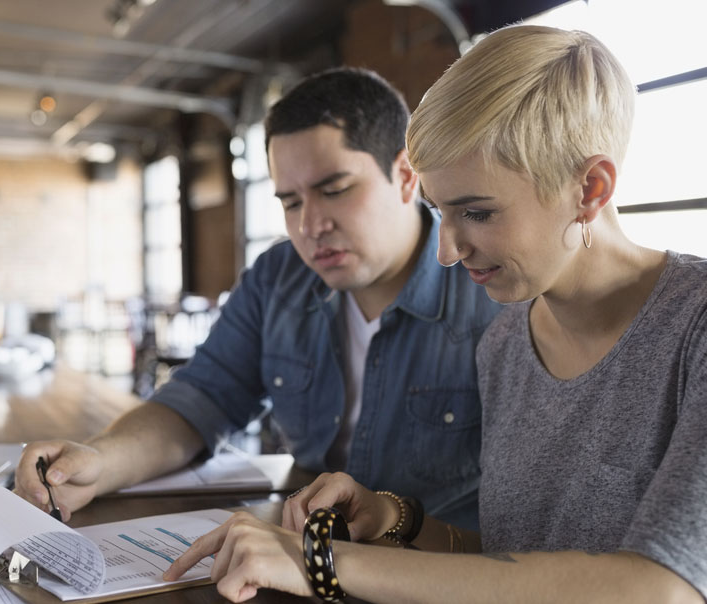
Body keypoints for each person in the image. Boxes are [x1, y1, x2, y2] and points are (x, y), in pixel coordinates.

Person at [164, 25, 707, 603]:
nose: (447, 251)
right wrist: (397, 519)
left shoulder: (693, 326)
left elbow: (661, 588)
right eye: (439, 212)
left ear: (590, 188)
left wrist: (323, 560)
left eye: (476, 212)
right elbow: (510, 566)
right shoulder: (506, 341)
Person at [14, 67, 501, 528]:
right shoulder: (278, 278)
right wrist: (101, 460)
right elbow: (201, 398)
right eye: (290, 202)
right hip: (311, 560)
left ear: (406, 176)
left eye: (334, 189)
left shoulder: (493, 289)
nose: (310, 226)